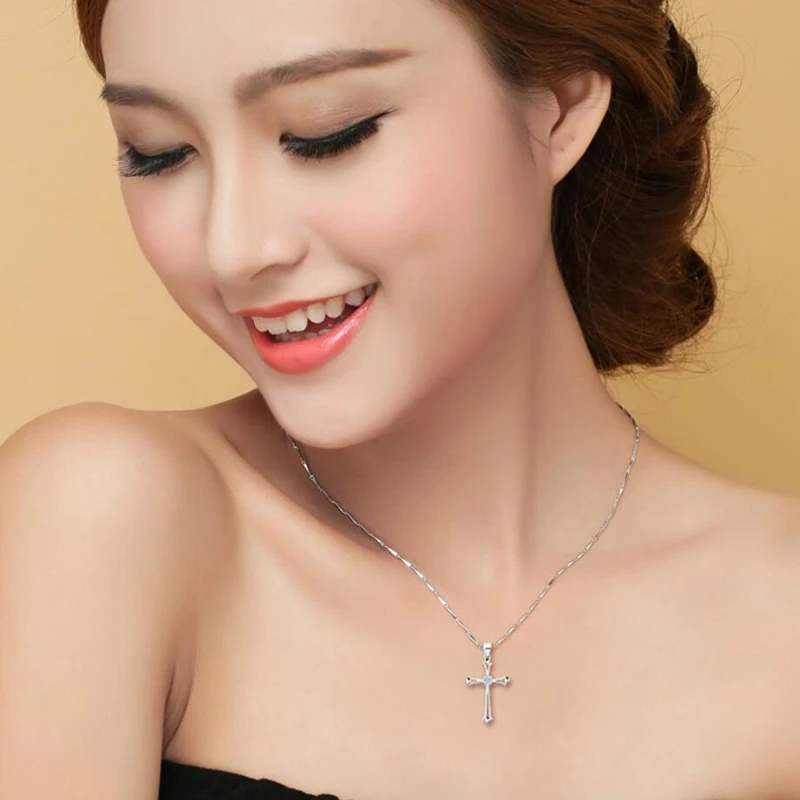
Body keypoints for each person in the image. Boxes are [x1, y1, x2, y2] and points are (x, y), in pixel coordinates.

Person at [1, 0, 798, 797]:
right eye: (159, 153)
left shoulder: (779, 617)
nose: (233, 248)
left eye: (327, 133)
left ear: (558, 107)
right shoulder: (103, 519)